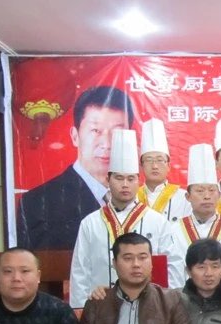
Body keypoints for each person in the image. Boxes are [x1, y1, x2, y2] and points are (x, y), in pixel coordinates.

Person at [69, 129, 184, 308]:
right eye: (119, 178)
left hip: (148, 307)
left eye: (131, 179)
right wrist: (80, 308)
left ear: (138, 181)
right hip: (101, 307)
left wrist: (168, 306)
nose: (125, 185)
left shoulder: (157, 222)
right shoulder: (90, 223)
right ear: (108, 179)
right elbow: (80, 271)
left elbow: (173, 266)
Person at [17, 85, 134, 250]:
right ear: (75, 136)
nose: (107, 144)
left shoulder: (141, 201)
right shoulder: (39, 202)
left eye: (117, 133)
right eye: (96, 130)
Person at [173, 143, 221, 260]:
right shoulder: (173, 231)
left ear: (219, 195)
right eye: (200, 191)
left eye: (212, 190)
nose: (207, 196)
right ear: (188, 196)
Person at [136, 118, 192, 224]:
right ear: (141, 166)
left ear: (168, 166)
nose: (155, 166)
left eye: (160, 160)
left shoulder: (185, 198)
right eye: (149, 160)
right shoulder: (133, 197)